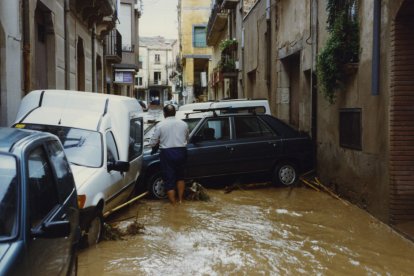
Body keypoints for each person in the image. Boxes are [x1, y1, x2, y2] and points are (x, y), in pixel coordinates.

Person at [150, 104, 189, 204]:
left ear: (164, 114)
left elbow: (152, 142)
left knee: (169, 179)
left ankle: (174, 206)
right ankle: (180, 201)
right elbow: (187, 139)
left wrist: (159, 142)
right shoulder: (183, 124)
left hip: (167, 154)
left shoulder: (160, 125)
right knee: (181, 177)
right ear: (175, 113)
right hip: (181, 152)